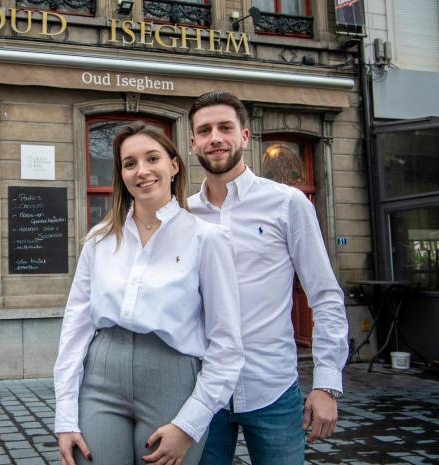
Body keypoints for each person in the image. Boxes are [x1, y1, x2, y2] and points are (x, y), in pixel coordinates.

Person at [54, 122, 244, 465]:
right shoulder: (99, 239)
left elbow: (227, 344)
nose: (141, 171)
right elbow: (75, 327)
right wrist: (65, 416)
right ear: (121, 174)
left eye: (152, 158)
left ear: (173, 165)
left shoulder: (207, 239)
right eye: (129, 164)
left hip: (172, 377)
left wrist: (189, 425)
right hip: (101, 377)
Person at [187, 91, 349, 465]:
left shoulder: (288, 203)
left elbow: (324, 295)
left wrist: (326, 384)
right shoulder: (183, 213)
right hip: (201, 391)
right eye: (205, 130)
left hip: (272, 389)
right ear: (193, 142)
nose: (215, 138)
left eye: (225, 128)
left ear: (244, 136)